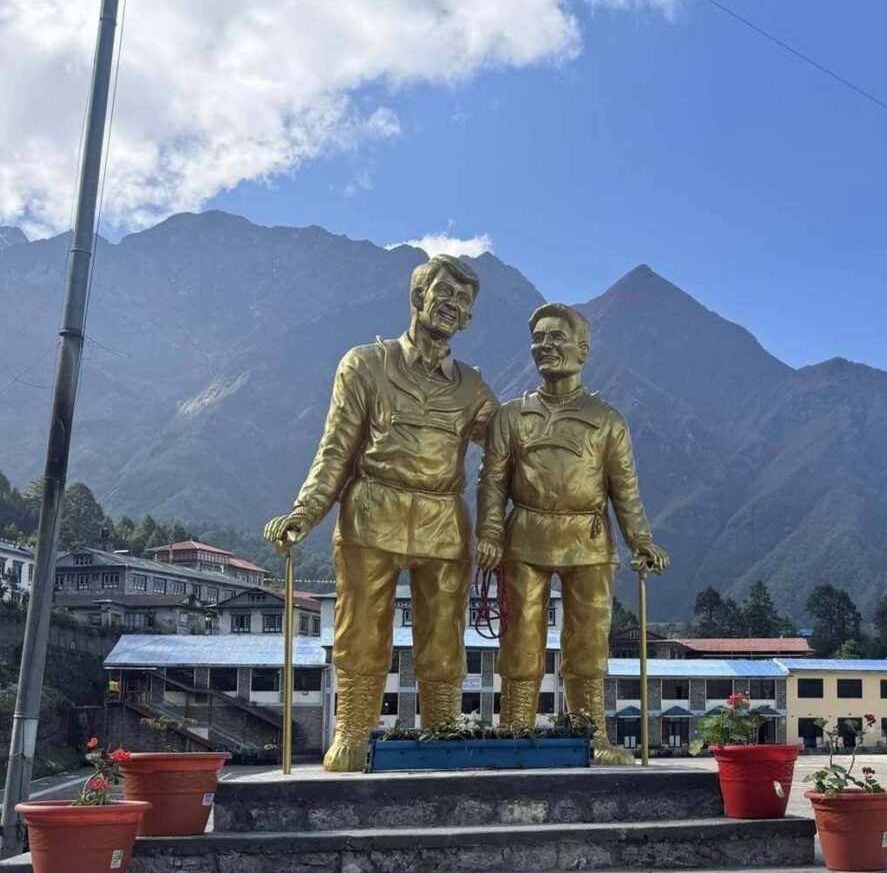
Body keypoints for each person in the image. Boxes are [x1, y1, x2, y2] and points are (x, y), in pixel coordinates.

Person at [264, 254, 498, 771]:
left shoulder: (474, 388)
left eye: (463, 302)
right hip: (372, 510)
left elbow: (506, 452)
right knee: (362, 630)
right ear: (418, 297)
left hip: (443, 519)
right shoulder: (365, 364)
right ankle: (352, 731)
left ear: (467, 320)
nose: (451, 306)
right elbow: (336, 449)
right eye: (444, 293)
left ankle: (441, 732)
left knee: (444, 635)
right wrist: (305, 512)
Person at [480, 303, 668, 764]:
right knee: (520, 637)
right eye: (538, 339)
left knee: (588, 641)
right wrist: (488, 532)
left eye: (556, 338)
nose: (545, 347)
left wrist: (640, 541)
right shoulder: (510, 415)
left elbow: (625, 490)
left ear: (583, 350)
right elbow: (491, 481)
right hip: (524, 534)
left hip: (589, 538)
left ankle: (591, 737)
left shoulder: (607, 419)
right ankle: (516, 729)